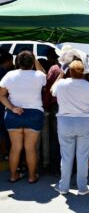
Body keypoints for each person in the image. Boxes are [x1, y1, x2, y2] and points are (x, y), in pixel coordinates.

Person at [51, 60, 89, 195]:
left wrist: (60, 75)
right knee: (83, 156)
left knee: (66, 156)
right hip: (86, 122)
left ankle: (63, 187)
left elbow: (51, 91)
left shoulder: (61, 84)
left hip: (65, 122)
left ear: (69, 71)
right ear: (83, 72)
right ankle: (82, 187)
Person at [0, 51, 46, 183]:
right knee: (30, 148)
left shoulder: (9, 75)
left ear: (17, 62)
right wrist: (35, 59)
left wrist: (12, 108)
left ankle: (13, 176)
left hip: (14, 114)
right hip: (34, 114)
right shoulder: (39, 75)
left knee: (15, 147)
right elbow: (43, 73)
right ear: (32, 63)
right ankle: (32, 176)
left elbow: (1, 95)